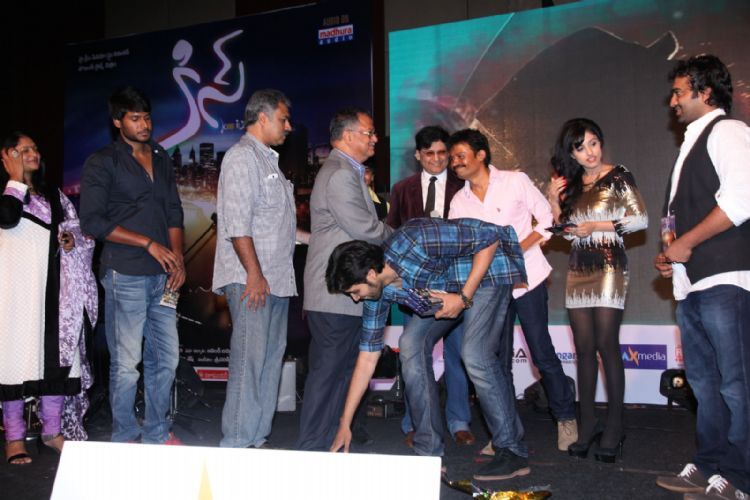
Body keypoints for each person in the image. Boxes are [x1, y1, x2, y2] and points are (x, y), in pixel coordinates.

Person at [328, 218, 532, 482]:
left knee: (475, 354)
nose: (356, 299)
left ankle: (512, 450)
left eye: (355, 292)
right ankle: (429, 452)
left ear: (370, 274)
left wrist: (464, 297)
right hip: (448, 289)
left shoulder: (416, 239)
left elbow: (491, 238)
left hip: (485, 274)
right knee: (410, 345)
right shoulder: (378, 294)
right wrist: (345, 423)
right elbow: (367, 359)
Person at [654, 55, 750, 499]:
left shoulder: (728, 131)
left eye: (679, 92)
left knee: (736, 384)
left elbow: (742, 199)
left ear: (705, 92)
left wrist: (687, 243)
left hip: (726, 277)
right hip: (692, 282)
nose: (672, 101)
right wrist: (671, 254)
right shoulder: (690, 144)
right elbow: (678, 217)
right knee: (705, 384)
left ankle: (741, 477)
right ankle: (710, 464)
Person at [448, 128, 578, 453]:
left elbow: (546, 219)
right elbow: (458, 246)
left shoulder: (514, 181)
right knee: (497, 361)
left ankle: (565, 417)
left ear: (481, 155)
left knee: (542, 352)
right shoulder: (459, 201)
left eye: (461, 155)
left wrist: (516, 250)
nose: (455, 162)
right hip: (490, 288)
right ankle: (504, 432)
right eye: (453, 158)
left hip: (528, 277)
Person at [80, 86, 185, 445]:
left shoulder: (161, 156)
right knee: (127, 365)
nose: (144, 124)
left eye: (147, 117)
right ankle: (124, 435)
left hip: (163, 277)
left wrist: (178, 259)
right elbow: (93, 221)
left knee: (166, 359)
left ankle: (157, 432)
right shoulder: (102, 161)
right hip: (125, 273)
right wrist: (148, 243)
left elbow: (173, 211)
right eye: (135, 118)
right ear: (117, 121)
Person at [547, 118, 647, 462]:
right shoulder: (573, 184)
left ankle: (615, 427)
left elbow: (640, 220)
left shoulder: (618, 175)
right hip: (578, 266)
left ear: (601, 143)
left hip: (609, 264)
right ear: (571, 153)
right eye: (580, 147)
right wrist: (554, 201)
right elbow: (565, 232)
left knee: (606, 344)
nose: (589, 152)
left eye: (593, 143)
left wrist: (596, 226)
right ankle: (587, 425)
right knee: (584, 348)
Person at [212, 89, 308, 448]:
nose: (288, 126)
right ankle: (236, 442)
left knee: (269, 362)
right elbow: (237, 224)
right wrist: (254, 274)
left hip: (277, 280)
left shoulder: (269, 162)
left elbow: (276, 226)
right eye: (283, 119)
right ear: (263, 118)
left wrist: (316, 239)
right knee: (249, 361)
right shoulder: (242, 157)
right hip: (252, 279)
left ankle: (256, 438)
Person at [296, 108, 393, 451]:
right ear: (348, 135)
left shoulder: (347, 171)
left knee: (340, 374)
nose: (375, 139)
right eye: (369, 132)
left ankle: (329, 446)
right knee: (329, 374)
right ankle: (312, 449)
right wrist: (403, 237)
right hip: (336, 293)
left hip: (345, 291)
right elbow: (365, 229)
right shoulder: (339, 173)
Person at [1, 132, 96, 464]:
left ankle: (52, 432)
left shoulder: (54, 197)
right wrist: (15, 178)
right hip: (14, 296)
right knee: (14, 362)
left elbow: (79, 232)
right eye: (23, 150)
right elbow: (7, 218)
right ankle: (14, 437)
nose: (33, 153)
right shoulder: (6, 193)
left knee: (57, 359)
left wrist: (71, 240)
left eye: (35, 148)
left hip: (53, 293)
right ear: (7, 155)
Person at [386, 125, 474, 447]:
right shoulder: (402, 189)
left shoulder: (464, 186)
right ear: (418, 155)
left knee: (458, 354)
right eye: (430, 154)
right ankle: (415, 422)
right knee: (414, 355)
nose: (437, 159)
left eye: (442, 153)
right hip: (415, 286)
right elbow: (392, 234)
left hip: (456, 284)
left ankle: (459, 420)